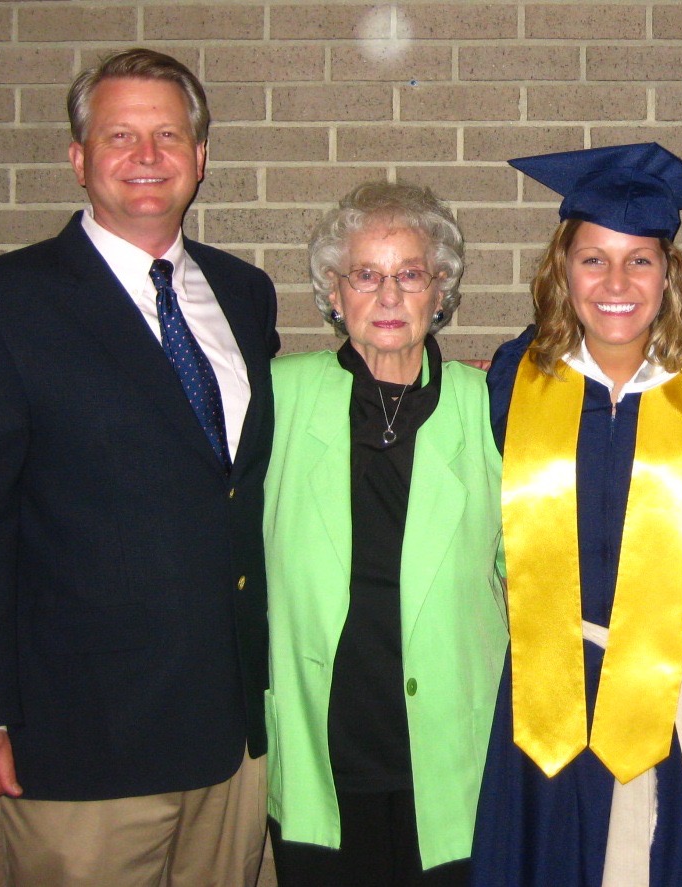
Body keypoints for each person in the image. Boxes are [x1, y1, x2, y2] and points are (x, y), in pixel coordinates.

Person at [0, 48, 278, 883]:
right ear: (78, 159)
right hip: (83, 736)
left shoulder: (243, 292)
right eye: (120, 136)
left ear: (200, 157)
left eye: (168, 135)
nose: (147, 156)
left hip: (233, 734)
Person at [470, 143, 682, 887]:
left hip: (666, 691)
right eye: (593, 259)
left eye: (639, 260)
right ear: (561, 269)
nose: (615, 282)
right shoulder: (517, 378)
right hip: (546, 691)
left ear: (670, 273)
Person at [262, 181, 506, 884]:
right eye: (366, 275)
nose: (390, 295)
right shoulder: (276, 397)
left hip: (454, 750)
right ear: (334, 293)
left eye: (411, 274)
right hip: (323, 748)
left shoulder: (487, 405)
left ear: (440, 290)